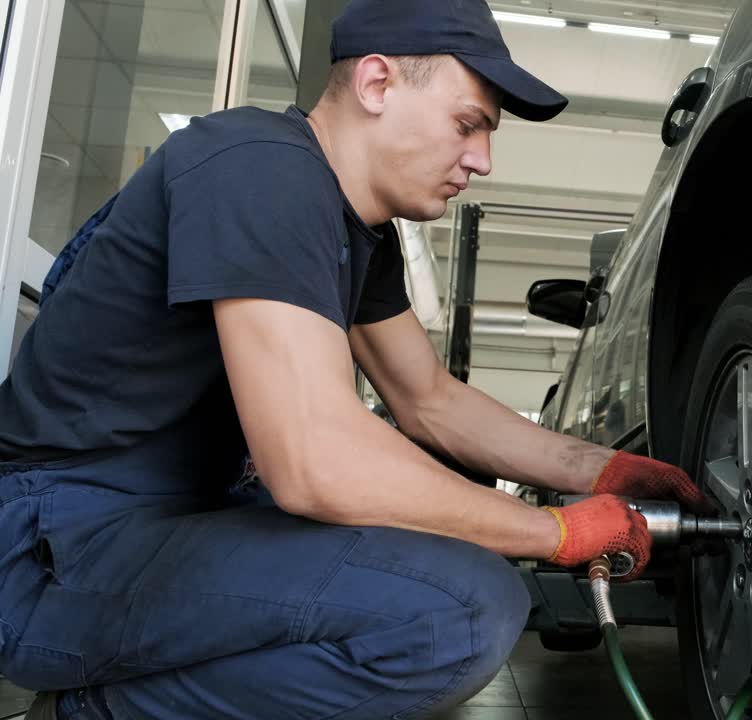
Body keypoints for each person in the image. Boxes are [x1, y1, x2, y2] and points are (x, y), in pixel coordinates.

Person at [0, 1, 710, 718]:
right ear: (376, 84)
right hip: (52, 550)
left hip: (153, 521)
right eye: (468, 124)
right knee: (459, 612)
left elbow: (430, 399)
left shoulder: (353, 228)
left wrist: (604, 469)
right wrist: (554, 533)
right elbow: (315, 461)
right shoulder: (261, 169)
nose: (482, 160)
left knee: (444, 563)